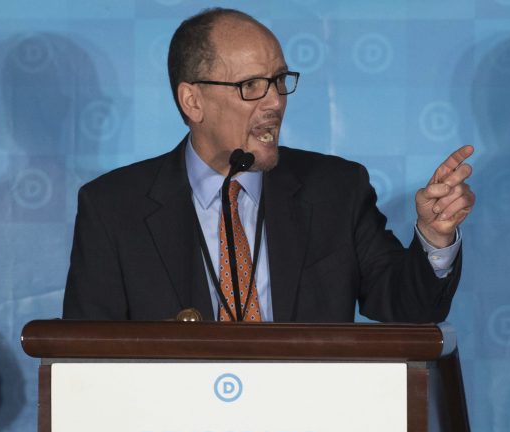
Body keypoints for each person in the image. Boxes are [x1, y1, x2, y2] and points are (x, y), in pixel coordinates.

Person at [62, 8, 475, 323]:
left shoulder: (336, 189)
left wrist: (435, 237)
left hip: (308, 431)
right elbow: (87, 357)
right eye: (251, 86)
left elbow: (408, 306)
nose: (275, 101)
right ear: (193, 101)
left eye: (278, 81)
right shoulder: (114, 208)